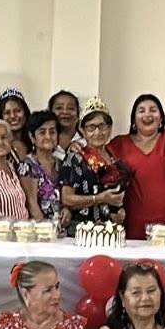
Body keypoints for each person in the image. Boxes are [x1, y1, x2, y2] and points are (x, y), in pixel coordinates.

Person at [109, 94, 165, 239]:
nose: (147, 114)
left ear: (161, 118)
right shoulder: (119, 144)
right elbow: (95, 154)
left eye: (153, 110)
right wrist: (76, 146)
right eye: (141, 111)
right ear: (134, 119)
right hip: (131, 223)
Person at [60, 98, 131, 232]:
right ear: (83, 130)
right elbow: (67, 198)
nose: (97, 133)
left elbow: (116, 198)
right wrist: (99, 198)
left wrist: (118, 212)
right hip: (81, 232)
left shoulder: (114, 159)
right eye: (91, 127)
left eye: (102, 126)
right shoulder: (75, 158)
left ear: (110, 129)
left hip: (108, 232)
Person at [19, 111, 66, 227]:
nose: (48, 137)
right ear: (32, 137)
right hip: (41, 229)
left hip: (64, 228)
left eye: (52, 132)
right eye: (42, 132)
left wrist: (67, 210)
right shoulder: (28, 166)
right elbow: (31, 204)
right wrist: (47, 229)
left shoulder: (62, 163)